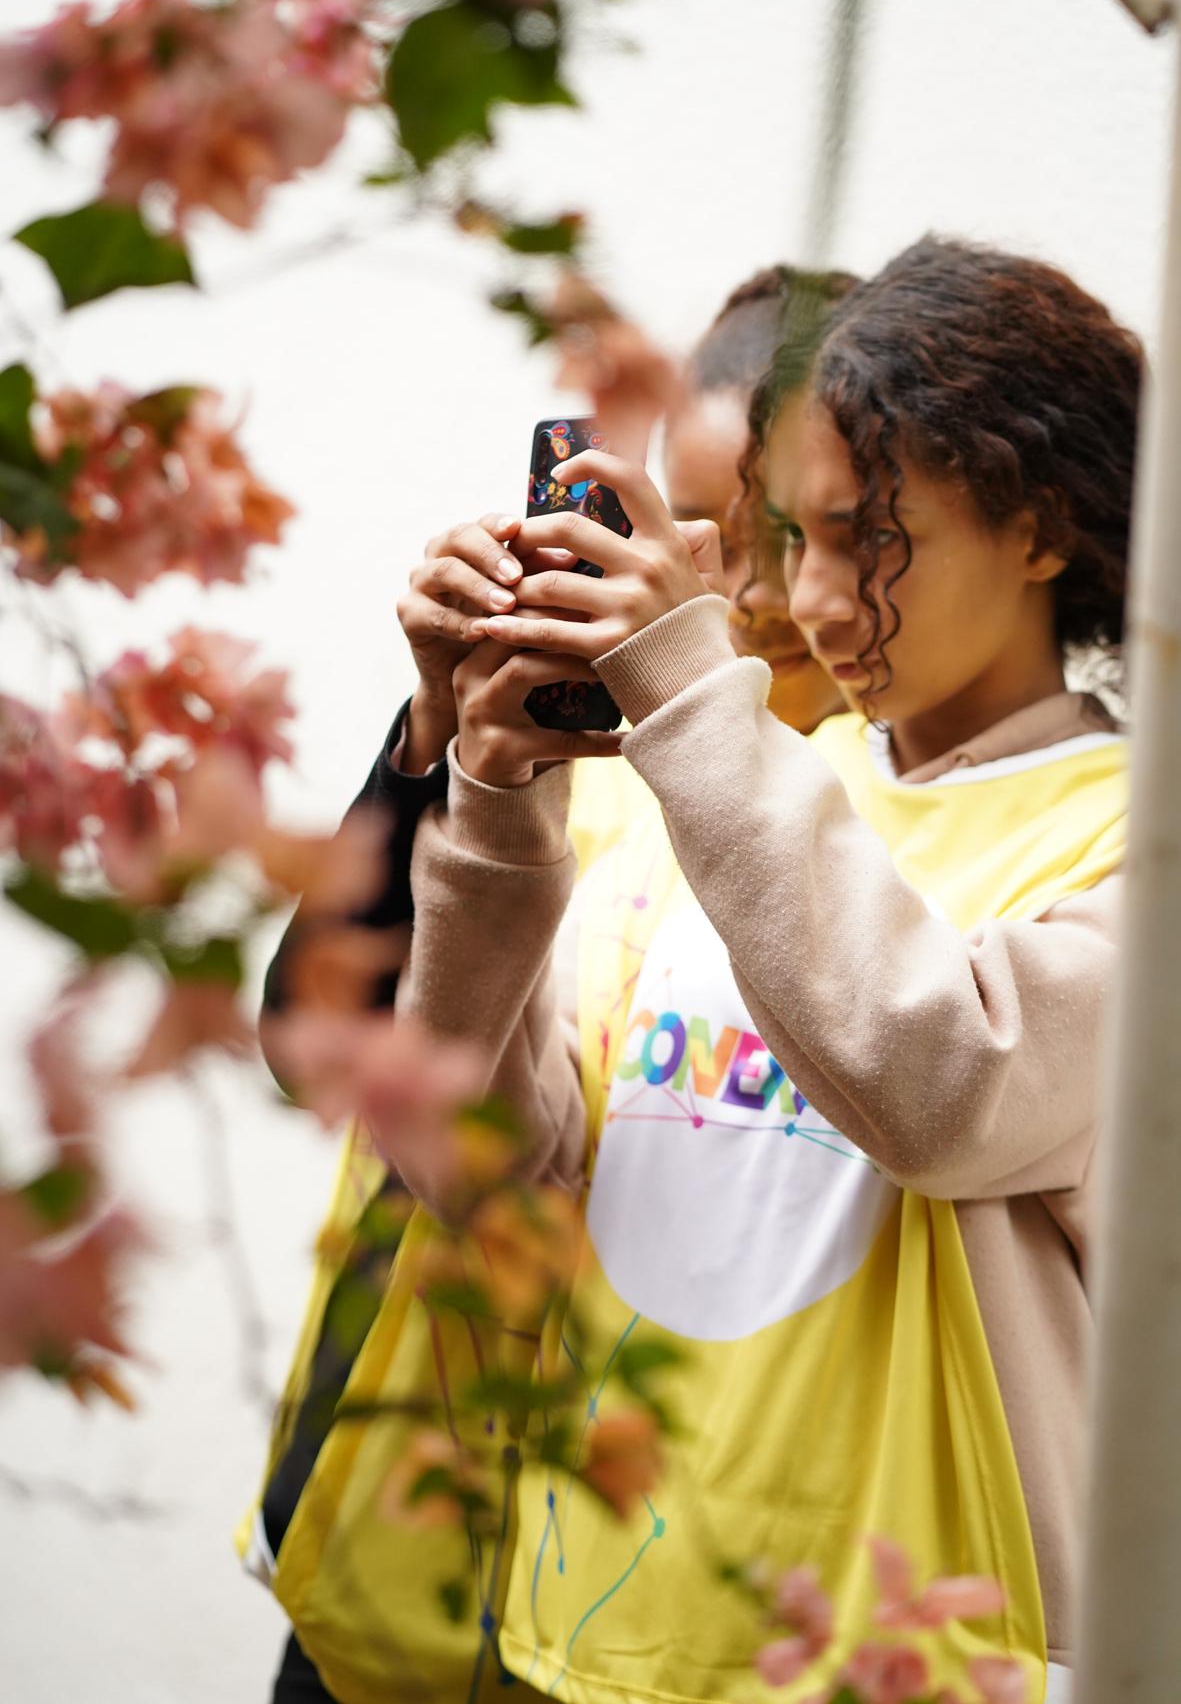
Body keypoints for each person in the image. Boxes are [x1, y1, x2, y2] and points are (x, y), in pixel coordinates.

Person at [388, 236, 1137, 1703]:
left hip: (915, 1669)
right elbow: (486, 1176)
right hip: (584, 1631)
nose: (816, 601)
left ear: (1043, 524)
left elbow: (942, 1086)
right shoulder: (747, 786)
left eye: (874, 538)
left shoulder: (1138, 840)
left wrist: (682, 694)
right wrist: (491, 782)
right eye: (790, 539)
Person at [245, 267, 852, 1704]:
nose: (705, 567)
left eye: (762, 527)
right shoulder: (559, 747)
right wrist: (436, 727)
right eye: (670, 511)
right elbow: (315, 1041)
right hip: (399, 1547)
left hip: (648, 1599)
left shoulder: (848, 815)